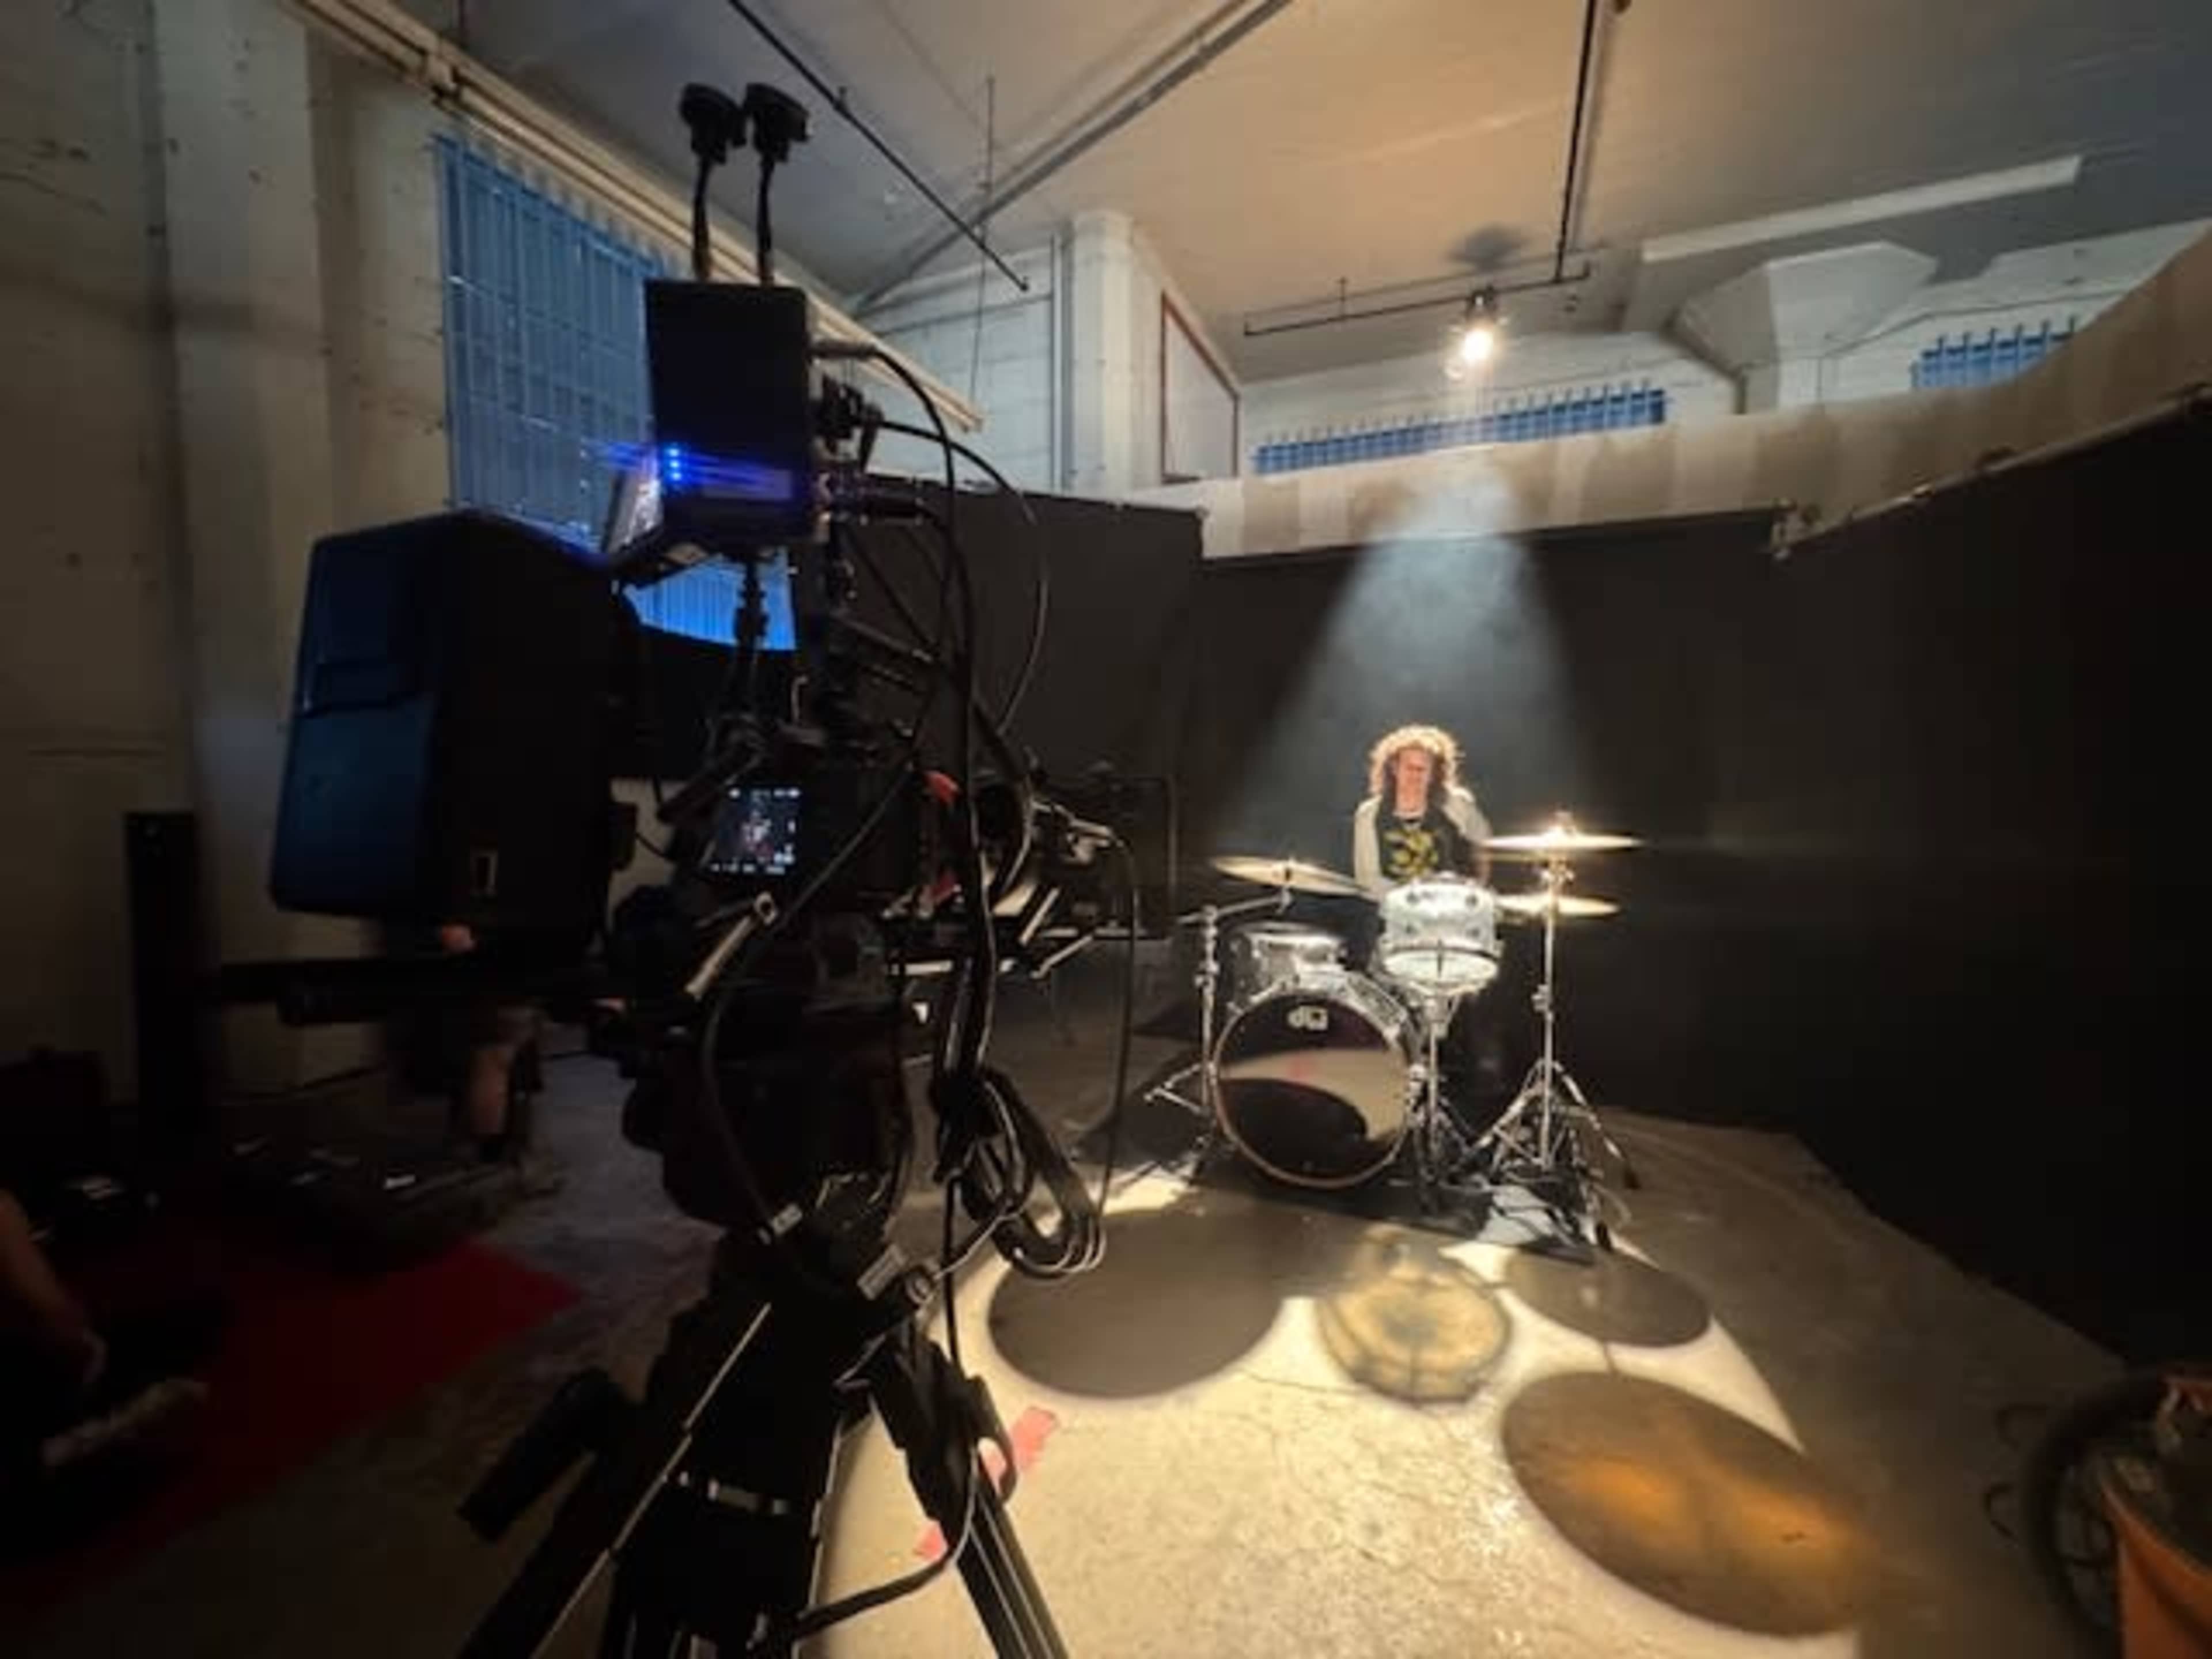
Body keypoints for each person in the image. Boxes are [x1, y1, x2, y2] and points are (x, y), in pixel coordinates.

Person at [1351, 724, 1493, 894]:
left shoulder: (1458, 805)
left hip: (1451, 907)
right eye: (1409, 767)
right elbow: (1368, 879)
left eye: (1422, 769)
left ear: (1434, 773)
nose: (1415, 776)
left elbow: (1486, 851)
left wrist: (1472, 891)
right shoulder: (1369, 814)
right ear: (1394, 768)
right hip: (1396, 911)